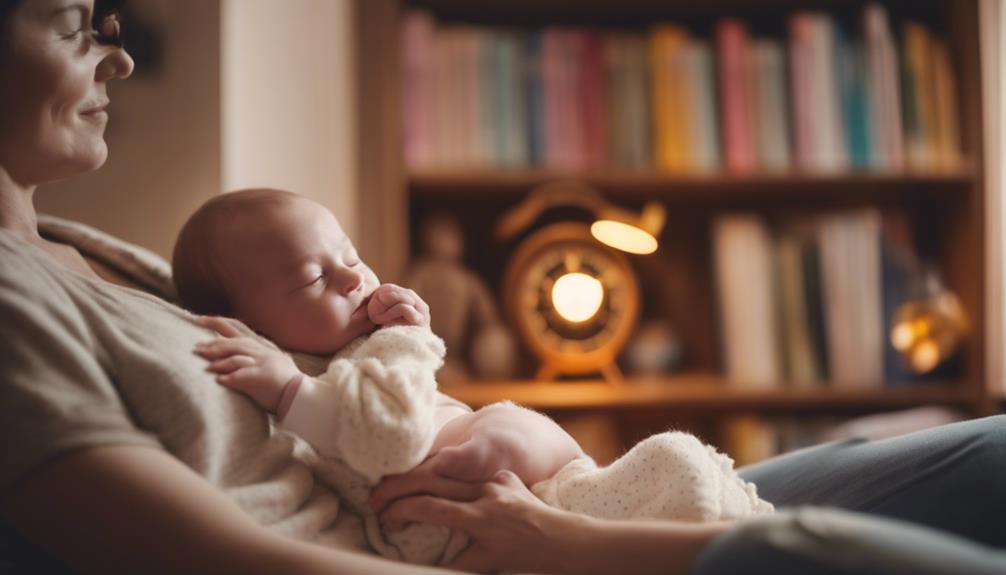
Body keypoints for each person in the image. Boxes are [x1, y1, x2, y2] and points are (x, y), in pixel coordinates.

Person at [1, 1, 1003, 574]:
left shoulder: (91, 248)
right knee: (814, 553)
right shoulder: (12, 299)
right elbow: (217, 559)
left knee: (983, 453)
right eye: (70, 23)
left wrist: (536, 452)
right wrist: (555, 546)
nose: (119, 55)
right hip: (506, 550)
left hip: (560, 501)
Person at [169, 188, 771, 563]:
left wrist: (511, 429)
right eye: (314, 280)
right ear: (248, 324)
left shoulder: (348, 359)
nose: (354, 279)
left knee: (675, 473)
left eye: (350, 257)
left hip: (540, 492)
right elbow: (389, 434)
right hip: (509, 518)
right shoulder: (312, 381)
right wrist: (405, 340)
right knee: (675, 468)